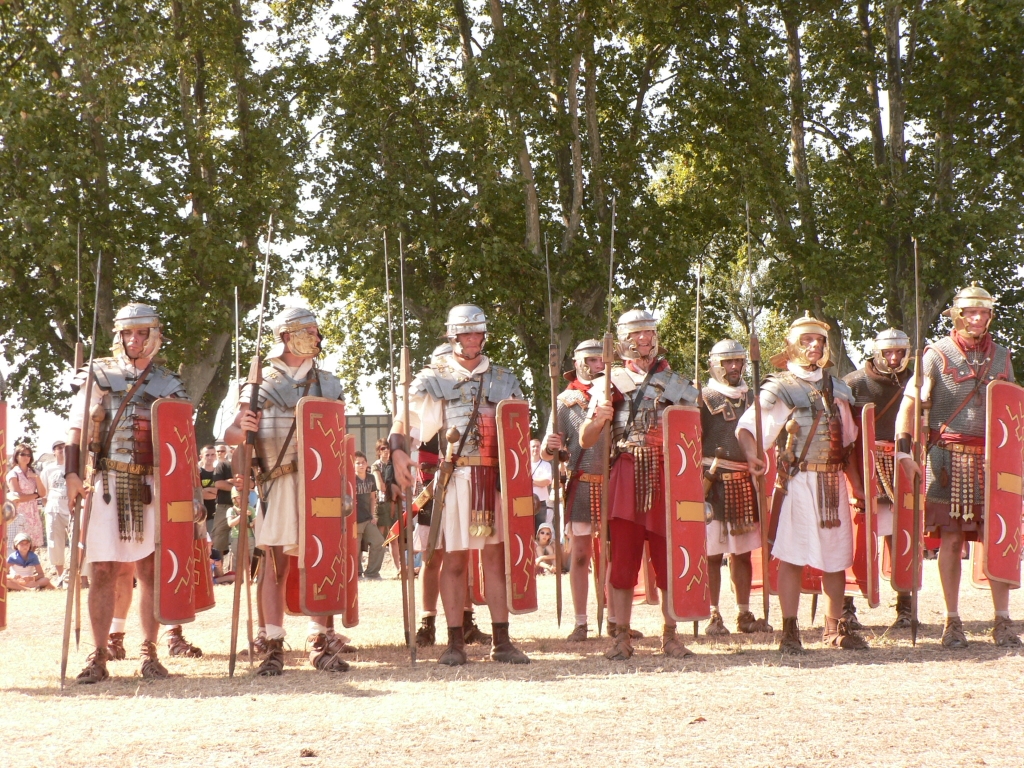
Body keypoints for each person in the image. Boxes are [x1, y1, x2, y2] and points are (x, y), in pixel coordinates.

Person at [389, 304, 530, 666]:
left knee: (495, 561)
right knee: (453, 560)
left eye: (477, 332)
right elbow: (406, 423)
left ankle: (502, 641)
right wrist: (397, 452)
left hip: (493, 480)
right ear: (453, 336)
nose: (472, 339)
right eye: (466, 333)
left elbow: (516, 432)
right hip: (456, 479)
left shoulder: (504, 379)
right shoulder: (433, 379)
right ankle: (454, 643)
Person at [65, 303, 195, 682]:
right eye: (127, 333)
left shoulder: (170, 385)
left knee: (151, 570)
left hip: (152, 486)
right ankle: (98, 655)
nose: (133, 340)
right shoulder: (98, 375)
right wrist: (72, 474)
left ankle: (149, 652)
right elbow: (76, 429)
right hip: (107, 482)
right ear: (118, 336)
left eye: (141, 332)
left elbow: (181, 442)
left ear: (156, 335)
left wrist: (187, 491)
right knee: (103, 569)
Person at [224, 306, 353, 675]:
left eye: (315, 331)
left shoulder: (328, 383)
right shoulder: (258, 383)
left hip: (320, 482)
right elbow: (231, 436)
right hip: (278, 480)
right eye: (307, 331)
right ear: (286, 336)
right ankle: (273, 643)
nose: (315, 337)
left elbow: (338, 439)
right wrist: (243, 428)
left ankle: (319, 639)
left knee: (320, 557)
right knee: (274, 563)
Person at [895, 284, 1020, 648]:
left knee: (998, 540)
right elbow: (909, 405)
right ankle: (952, 621)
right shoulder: (935, 354)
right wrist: (904, 452)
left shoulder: (1002, 357)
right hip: (947, 459)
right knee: (950, 541)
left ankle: (1002, 620)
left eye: (984, 312)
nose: (978, 318)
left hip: (993, 462)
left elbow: (1012, 411)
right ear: (958, 315)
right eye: (971, 312)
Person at [737, 313, 868, 653]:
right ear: (793, 345)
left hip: (832, 481)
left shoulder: (838, 389)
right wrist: (752, 455)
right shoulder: (780, 387)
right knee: (793, 555)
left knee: (836, 557)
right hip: (798, 480)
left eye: (819, 341)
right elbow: (749, 427)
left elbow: (849, 445)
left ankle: (834, 628)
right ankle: (789, 630)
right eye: (807, 340)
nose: (814, 346)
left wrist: (857, 486)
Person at [580, 309, 701, 660]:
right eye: (636, 334)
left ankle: (670, 635)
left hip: (667, 476)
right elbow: (586, 439)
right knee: (623, 561)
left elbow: (694, 434)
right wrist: (599, 419)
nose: (644, 339)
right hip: (627, 472)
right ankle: (621, 636)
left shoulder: (677, 383)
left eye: (648, 332)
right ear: (623, 341)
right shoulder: (609, 383)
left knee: (668, 560)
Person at [700, 339, 773, 636]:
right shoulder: (702, 398)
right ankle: (713, 614)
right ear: (715, 366)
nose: (734, 367)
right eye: (728, 362)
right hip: (713, 483)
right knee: (711, 555)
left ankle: (744, 613)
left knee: (742, 554)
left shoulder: (753, 399)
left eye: (738, 361)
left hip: (744, 482)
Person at [843, 328, 913, 629]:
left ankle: (905, 604)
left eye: (899, 352)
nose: (894, 358)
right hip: (863, 466)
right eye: (888, 352)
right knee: (856, 538)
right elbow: (843, 434)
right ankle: (846, 606)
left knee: (901, 536)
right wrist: (854, 479)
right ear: (877, 353)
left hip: (901, 466)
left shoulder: (915, 382)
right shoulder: (853, 383)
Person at [540, 338, 606, 642]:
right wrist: (551, 446)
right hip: (582, 483)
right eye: (592, 360)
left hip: (615, 481)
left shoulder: (618, 394)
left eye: (601, 359)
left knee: (613, 554)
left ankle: (616, 619)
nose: (598, 365)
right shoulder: (565, 401)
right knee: (580, 555)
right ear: (579, 363)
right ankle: (581, 622)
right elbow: (547, 452)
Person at [38, 441, 71, 584]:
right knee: (55, 542)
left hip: (72, 509)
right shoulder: (48, 469)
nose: (62, 450)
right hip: (54, 508)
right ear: (54, 451)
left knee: (77, 542)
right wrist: (49, 508)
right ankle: (60, 575)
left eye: (64, 448)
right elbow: (43, 493)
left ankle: (78, 575)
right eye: (59, 448)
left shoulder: (74, 467)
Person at [5, 443, 45, 553]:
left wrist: (36, 478)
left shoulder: (34, 472)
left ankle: (30, 564)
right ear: (16, 456)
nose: (26, 457)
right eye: (23, 454)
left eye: (28, 455)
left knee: (33, 544)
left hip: (33, 512)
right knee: (20, 544)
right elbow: (17, 496)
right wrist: (35, 495)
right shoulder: (13, 473)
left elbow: (43, 493)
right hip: (20, 512)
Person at [353, 451, 386, 579]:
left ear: (367, 463)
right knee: (355, 549)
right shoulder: (350, 479)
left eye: (363, 462)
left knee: (379, 542)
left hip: (367, 518)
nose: (361, 465)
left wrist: (373, 515)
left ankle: (372, 572)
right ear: (353, 465)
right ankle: (356, 573)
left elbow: (373, 498)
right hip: (355, 520)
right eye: (358, 463)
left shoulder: (371, 478)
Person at [372, 439, 401, 572]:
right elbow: (380, 486)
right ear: (378, 451)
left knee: (394, 538)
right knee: (379, 538)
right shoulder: (376, 465)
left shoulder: (394, 464)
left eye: (388, 448)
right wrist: (392, 486)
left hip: (393, 503)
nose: (386, 451)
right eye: (383, 448)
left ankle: (397, 568)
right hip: (382, 503)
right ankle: (374, 568)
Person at [199, 444, 234, 553]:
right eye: (207, 455)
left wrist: (207, 490)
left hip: (215, 513)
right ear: (201, 456)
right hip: (200, 515)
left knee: (216, 544)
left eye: (212, 454)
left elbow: (218, 491)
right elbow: (199, 493)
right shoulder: (198, 473)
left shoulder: (220, 471)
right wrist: (214, 490)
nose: (210, 457)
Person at [529, 438, 552, 529]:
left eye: (538, 446)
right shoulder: (524, 465)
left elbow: (546, 482)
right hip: (526, 501)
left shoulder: (546, 465)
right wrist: (538, 482)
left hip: (541, 503)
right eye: (533, 446)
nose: (536, 449)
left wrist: (531, 481)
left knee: (539, 529)